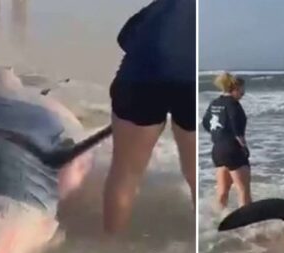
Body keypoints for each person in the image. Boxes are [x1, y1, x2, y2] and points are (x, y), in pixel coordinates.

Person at [102, 0, 196, 234]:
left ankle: (110, 251)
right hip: (190, 85)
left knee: (125, 174)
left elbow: (124, 38)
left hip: (139, 79)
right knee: (195, 173)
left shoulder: (160, 7)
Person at [202, 72, 251, 209]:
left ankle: (216, 222)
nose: (243, 93)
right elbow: (237, 129)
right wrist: (244, 148)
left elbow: (206, 122)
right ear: (235, 88)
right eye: (242, 89)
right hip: (232, 149)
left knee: (222, 192)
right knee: (243, 192)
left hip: (217, 150)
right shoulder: (233, 105)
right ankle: (247, 225)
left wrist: (218, 135)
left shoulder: (215, 103)